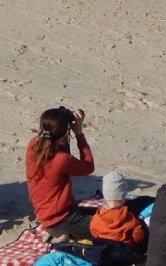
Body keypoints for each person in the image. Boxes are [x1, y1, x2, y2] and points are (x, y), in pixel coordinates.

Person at [25, 106, 94, 241]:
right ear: (63, 136)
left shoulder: (33, 144)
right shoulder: (61, 159)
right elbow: (88, 167)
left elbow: (55, 147)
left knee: (101, 217)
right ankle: (63, 237)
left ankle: (60, 235)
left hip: (46, 216)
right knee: (112, 228)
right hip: (62, 220)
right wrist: (79, 133)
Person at [89, 171, 146, 250]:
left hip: (104, 250)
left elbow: (93, 232)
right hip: (124, 251)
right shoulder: (130, 218)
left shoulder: (97, 217)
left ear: (105, 197)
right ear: (123, 198)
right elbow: (138, 237)